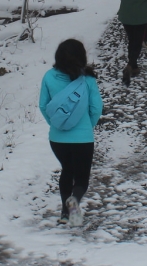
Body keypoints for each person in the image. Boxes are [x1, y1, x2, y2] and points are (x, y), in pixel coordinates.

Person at [38, 39, 103, 226]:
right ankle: (74, 199)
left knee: (67, 170)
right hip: (82, 138)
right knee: (81, 177)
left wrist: (56, 123)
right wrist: (87, 126)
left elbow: (43, 105)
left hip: (57, 139)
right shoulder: (87, 80)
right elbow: (96, 107)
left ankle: (65, 214)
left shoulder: (49, 77)